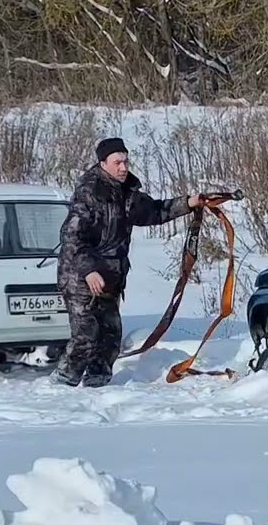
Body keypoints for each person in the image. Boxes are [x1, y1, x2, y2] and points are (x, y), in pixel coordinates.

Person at [52, 137, 213, 387]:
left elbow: (155, 212)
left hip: (111, 277)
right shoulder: (89, 193)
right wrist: (89, 271)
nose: (123, 167)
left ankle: (99, 384)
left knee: (110, 336)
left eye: (126, 161)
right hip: (80, 276)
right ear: (103, 163)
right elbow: (72, 238)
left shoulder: (127, 192)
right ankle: (62, 383)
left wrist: (189, 203)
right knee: (86, 335)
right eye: (117, 162)